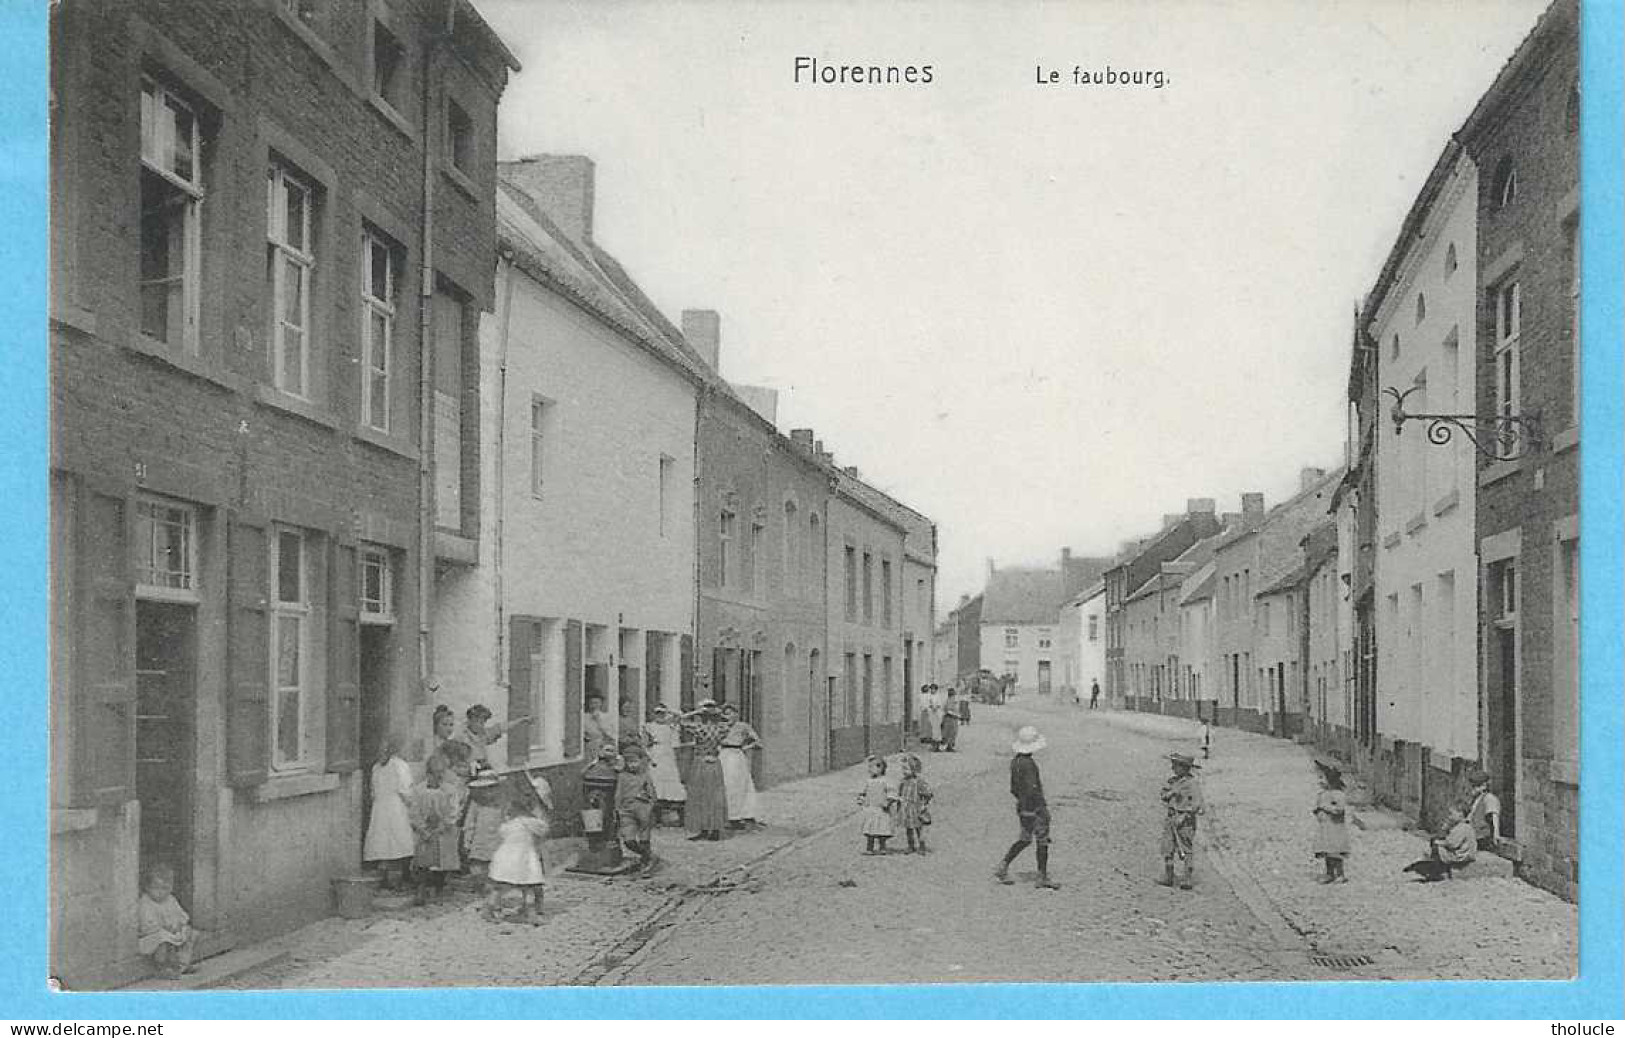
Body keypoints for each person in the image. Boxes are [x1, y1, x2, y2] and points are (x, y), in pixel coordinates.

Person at [995, 725, 1059, 889]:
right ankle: (1042, 876)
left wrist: (1023, 804)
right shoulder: (1029, 764)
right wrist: (1039, 808)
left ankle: (1003, 865)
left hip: (1022, 806)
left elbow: (1014, 789)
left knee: (1024, 839)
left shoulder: (1015, 762)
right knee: (1042, 840)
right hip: (1034, 807)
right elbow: (1033, 789)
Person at [362, 733, 415, 889]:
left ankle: (383, 879)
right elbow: (405, 790)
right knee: (396, 843)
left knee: (383, 843)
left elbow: (373, 792)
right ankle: (394, 881)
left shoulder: (377, 767)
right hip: (396, 807)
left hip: (380, 807)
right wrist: (412, 806)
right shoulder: (400, 765)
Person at [485, 797, 548, 925]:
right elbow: (544, 829)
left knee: (498, 887)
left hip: (505, 857)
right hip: (524, 857)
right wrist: (540, 814)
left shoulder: (507, 825)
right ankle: (530, 912)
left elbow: (501, 834)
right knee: (528, 886)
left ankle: (490, 909)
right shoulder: (530, 823)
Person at [409, 754, 462, 905]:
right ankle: (422, 888)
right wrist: (422, 829)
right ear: (428, 774)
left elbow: (454, 811)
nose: (438, 777)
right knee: (424, 859)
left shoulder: (449, 790)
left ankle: (441, 885)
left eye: (441, 773)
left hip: (443, 830)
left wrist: (444, 825)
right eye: (434, 773)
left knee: (443, 857)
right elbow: (414, 812)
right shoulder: (419, 791)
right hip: (425, 831)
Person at [679, 699, 729, 841]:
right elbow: (726, 723)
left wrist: (696, 712)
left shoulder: (699, 728)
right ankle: (713, 829)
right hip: (714, 762)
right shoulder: (721, 728)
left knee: (699, 796)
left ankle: (703, 828)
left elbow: (681, 720)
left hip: (700, 762)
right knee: (714, 796)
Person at [137, 863, 197, 977]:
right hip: (152, 936)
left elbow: (182, 915)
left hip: (172, 931)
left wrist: (180, 924)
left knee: (190, 933)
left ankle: (182, 963)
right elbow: (146, 926)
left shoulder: (170, 899)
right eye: (156, 888)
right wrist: (164, 927)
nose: (161, 892)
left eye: (165, 888)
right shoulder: (145, 903)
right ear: (147, 887)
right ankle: (162, 967)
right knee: (162, 940)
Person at [1158, 752, 1204, 890]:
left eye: (1176, 766)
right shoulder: (1171, 782)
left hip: (1185, 821)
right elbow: (1163, 795)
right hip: (1171, 818)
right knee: (1167, 846)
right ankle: (1169, 876)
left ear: (1184, 768)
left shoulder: (1191, 784)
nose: (1173, 768)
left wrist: (1184, 817)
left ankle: (1187, 878)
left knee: (1185, 848)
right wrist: (1170, 794)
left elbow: (1196, 804)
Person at [719, 702, 764, 828]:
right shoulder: (721, 727)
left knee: (737, 784)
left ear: (736, 714)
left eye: (730, 713)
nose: (727, 717)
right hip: (722, 755)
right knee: (724, 784)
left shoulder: (743, 727)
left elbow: (758, 742)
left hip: (736, 756)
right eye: (725, 714)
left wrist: (745, 747)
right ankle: (725, 815)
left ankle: (738, 815)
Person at [616, 747, 660, 873]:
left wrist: (649, 806)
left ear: (641, 762)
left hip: (642, 809)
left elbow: (652, 794)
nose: (632, 765)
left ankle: (646, 862)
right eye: (629, 762)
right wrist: (617, 809)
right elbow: (618, 794)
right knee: (628, 840)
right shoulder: (622, 776)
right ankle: (648, 855)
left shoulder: (645, 776)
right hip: (626, 811)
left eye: (635, 762)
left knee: (644, 836)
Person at [462, 767, 505, 894]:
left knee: (495, 865)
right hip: (479, 840)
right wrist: (467, 841)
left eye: (491, 789)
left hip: (497, 840)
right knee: (477, 866)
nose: (488, 793)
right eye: (485, 790)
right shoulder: (476, 805)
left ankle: (493, 887)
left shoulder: (502, 805)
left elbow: (506, 821)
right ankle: (480, 884)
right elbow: (470, 824)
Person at [452, 704, 529, 774]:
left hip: (484, 768)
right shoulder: (461, 736)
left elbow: (501, 728)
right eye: (477, 721)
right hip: (468, 771)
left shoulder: (483, 733)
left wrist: (521, 720)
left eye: (482, 723)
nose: (480, 725)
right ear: (469, 720)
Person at [643, 704, 688, 819]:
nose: (660, 716)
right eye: (657, 713)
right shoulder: (649, 726)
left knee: (671, 779)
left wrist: (669, 710)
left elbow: (680, 715)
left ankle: (675, 808)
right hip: (656, 752)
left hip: (668, 754)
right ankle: (656, 814)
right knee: (656, 780)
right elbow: (645, 744)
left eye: (662, 713)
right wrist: (650, 757)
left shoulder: (670, 726)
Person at [1312, 758, 1350, 884]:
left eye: (1323, 778)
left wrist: (1325, 807)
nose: (1320, 781)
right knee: (1327, 851)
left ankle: (1340, 873)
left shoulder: (1338, 794)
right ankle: (1329, 873)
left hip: (1335, 828)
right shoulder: (1323, 794)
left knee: (1336, 851)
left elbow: (1339, 809)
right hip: (1326, 827)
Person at [857, 755, 899, 855]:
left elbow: (891, 793)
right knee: (870, 829)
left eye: (872, 767)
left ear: (880, 768)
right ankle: (869, 848)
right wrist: (861, 799)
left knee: (882, 829)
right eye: (869, 767)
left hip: (881, 809)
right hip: (871, 809)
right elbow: (863, 792)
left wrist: (888, 802)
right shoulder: (868, 782)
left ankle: (882, 847)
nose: (869, 770)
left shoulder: (885, 781)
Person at [1425, 805, 1477, 879]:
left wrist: (1438, 842)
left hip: (1461, 855)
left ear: (1460, 814)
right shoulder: (1465, 826)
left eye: (1451, 814)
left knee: (1436, 848)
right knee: (1437, 844)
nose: (1449, 817)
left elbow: (1452, 844)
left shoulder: (1461, 828)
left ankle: (1440, 871)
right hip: (1466, 852)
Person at [897, 752, 934, 854]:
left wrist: (924, 804)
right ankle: (911, 845)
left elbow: (928, 793)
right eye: (903, 769)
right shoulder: (903, 781)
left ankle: (921, 846)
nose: (904, 771)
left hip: (916, 808)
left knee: (918, 828)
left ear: (914, 769)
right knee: (908, 828)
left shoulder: (919, 781)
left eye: (906, 769)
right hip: (906, 808)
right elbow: (900, 793)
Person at [1464, 768, 1502, 851]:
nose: (1472, 789)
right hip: (1473, 833)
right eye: (1472, 786)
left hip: (1482, 836)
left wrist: (1496, 834)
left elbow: (1494, 816)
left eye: (1475, 786)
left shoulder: (1489, 799)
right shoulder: (1476, 799)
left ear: (1484, 786)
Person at [582, 693, 614, 763]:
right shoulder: (584, 717)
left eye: (596, 703)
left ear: (601, 704)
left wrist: (598, 721)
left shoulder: (606, 717)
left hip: (602, 746)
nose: (594, 705)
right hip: (588, 747)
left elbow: (609, 735)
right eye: (591, 703)